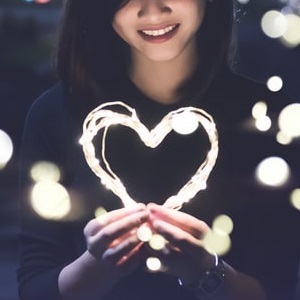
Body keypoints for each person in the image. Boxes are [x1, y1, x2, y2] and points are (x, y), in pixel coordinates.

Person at [17, 0, 300, 300]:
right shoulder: (55, 113)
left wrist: (205, 270)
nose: (152, 10)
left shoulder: (266, 116)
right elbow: (35, 288)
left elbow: (278, 287)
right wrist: (97, 266)